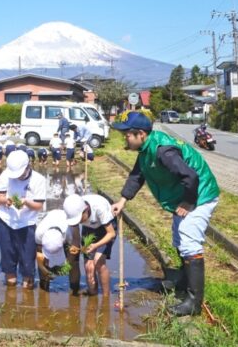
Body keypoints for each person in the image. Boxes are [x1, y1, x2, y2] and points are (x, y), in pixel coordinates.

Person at [111, 111, 219, 316]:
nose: (124, 137)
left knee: (189, 242)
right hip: (185, 195)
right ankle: (183, 280)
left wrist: (188, 203)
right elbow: (137, 175)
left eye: (127, 134)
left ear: (141, 134)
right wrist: (123, 201)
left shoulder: (163, 151)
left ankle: (194, 302)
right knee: (179, 239)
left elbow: (191, 176)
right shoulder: (145, 150)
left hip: (200, 194)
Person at [0, 150, 46, 288]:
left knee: (28, 262)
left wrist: (26, 202)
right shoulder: (5, 175)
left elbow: (39, 206)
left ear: (27, 166)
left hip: (27, 224)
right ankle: (10, 292)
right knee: (8, 260)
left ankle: (27, 292)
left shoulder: (38, 179)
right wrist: (6, 200)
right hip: (6, 222)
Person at [64, 193, 116, 295]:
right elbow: (76, 239)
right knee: (89, 266)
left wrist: (96, 245)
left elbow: (111, 234)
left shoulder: (99, 208)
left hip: (106, 228)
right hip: (89, 229)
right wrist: (72, 253)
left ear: (86, 209)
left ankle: (106, 297)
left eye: (80, 219)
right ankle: (93, 294)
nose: (78, 222)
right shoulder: (73, 211)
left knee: (98, 262)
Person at [35, 208, 74, 292]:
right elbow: (39, 255)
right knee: (45, 263)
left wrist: (66, 266)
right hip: (48, 221)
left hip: (64, 224)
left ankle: (74, 288)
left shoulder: (68, 233)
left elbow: (72, 252)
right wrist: (45, 271)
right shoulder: (39, 233)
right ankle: (44, 286)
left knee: (74, 262)